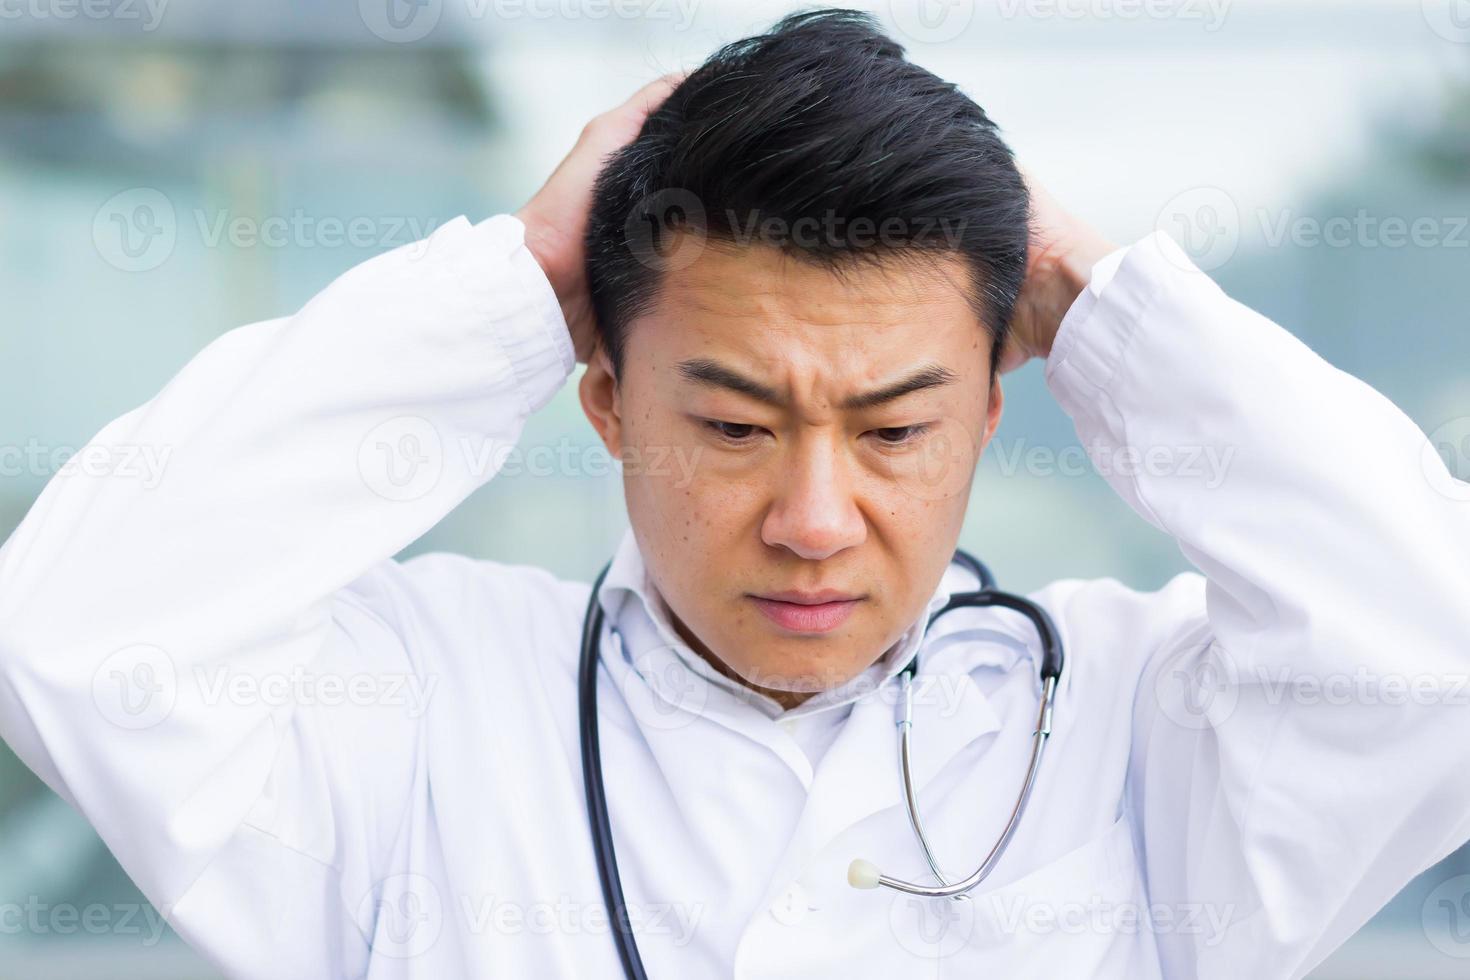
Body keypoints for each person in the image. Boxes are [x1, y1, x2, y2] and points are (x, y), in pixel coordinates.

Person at [1, 9, 1467, 979]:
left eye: (895, 431)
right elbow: (72, 629)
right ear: (609, 403)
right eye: (730, 424)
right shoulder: (414, 708)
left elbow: (1433, 653)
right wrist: (510, 284)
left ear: (987, 417)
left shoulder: (1137, 717)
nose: (814, 519)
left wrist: (1104, 306)